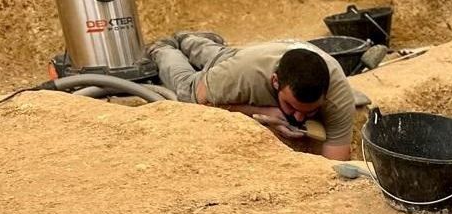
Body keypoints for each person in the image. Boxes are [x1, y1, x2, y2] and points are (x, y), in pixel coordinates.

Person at [148, 33, 356, 160]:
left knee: (224, 55)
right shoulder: (245, 76)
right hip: (240, 66)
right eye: (291, 107)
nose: (299, 118)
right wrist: (259, 111)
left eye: (310, 111)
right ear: (275, 82)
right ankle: (163, 47)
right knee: (188, 88)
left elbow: (335, 162)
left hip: (253, 55)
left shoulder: (338, 96)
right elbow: (203, 100)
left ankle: (187, 39)